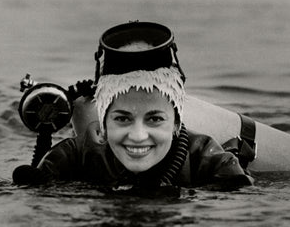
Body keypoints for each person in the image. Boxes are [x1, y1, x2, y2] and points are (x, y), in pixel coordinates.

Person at [16, 21, 253, 191]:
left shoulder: (206, 158)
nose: (138, 136)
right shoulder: (77, 154)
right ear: (103, 125)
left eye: (155, 119)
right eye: (122, 119)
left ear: (177, 124)